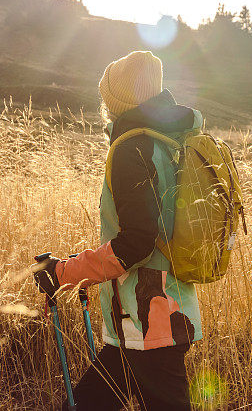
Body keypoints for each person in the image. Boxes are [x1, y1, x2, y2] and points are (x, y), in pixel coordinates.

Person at [35, 50, 203, 411]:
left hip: (148, 322)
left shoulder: (132, 149)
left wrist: (66, 273)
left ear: (117, 101)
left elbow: (137, 243)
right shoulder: (169, 142)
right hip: (152, 317)